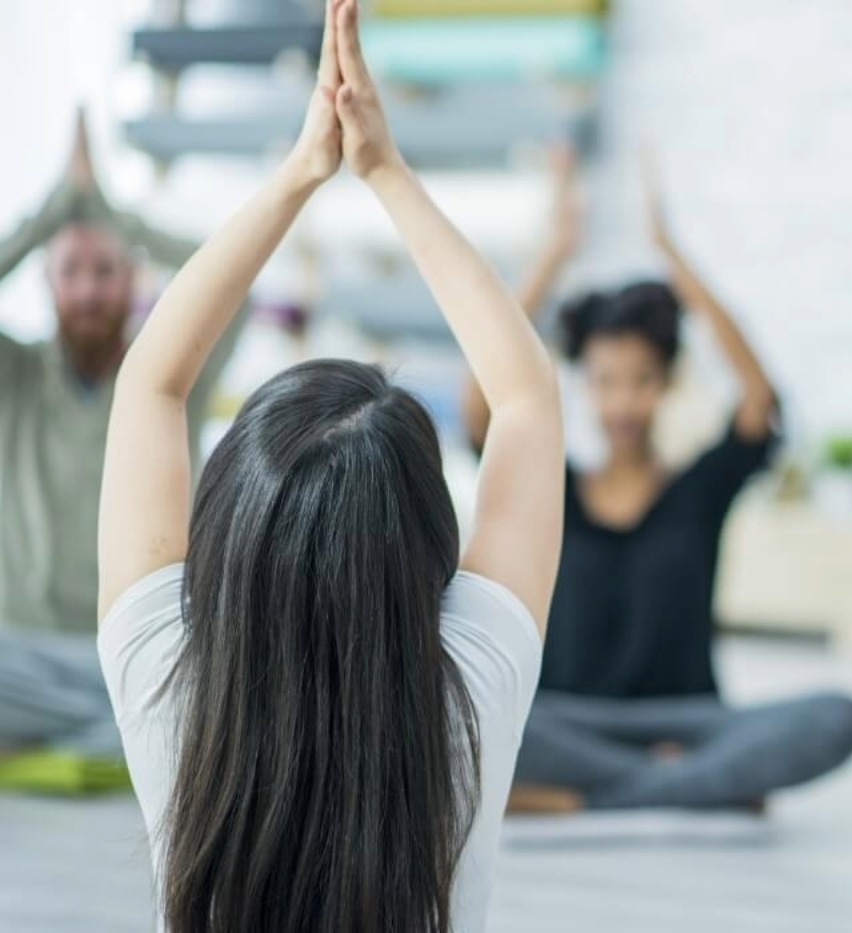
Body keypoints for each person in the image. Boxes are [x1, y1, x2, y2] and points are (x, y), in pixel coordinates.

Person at [96, 2, 562, 931]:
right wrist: (383, 171)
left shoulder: (163, 676)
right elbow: (527, 401)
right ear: (427, 539)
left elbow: (150, 381)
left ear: (226, 525)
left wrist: (299, 172)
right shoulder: (470, 686)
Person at [461, 150, 852, 813]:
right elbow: (480, 406)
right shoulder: (554, 489)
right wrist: (554, 254)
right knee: (474, 715)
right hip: (568, 722)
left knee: (839, 715)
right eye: (605, 381)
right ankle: (678, 788)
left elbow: (759, 398)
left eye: (641, 380)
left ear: (668, 381)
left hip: (689, 723)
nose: (622, 402)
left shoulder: (696, 490)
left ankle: (579, 798)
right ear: (584, 386)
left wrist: (673, 256)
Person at [0, 111, 242, 765]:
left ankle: (89, 742)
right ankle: (99, 742)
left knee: (218, 700)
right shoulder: (14, 377)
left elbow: (231, 275)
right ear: (47, 284)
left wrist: (110, 210)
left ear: (133, 281)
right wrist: (56, 210)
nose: (87, 290)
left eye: (105, 270)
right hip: (27, 652)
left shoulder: (169, 373)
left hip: (144, 649)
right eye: (70, 271)